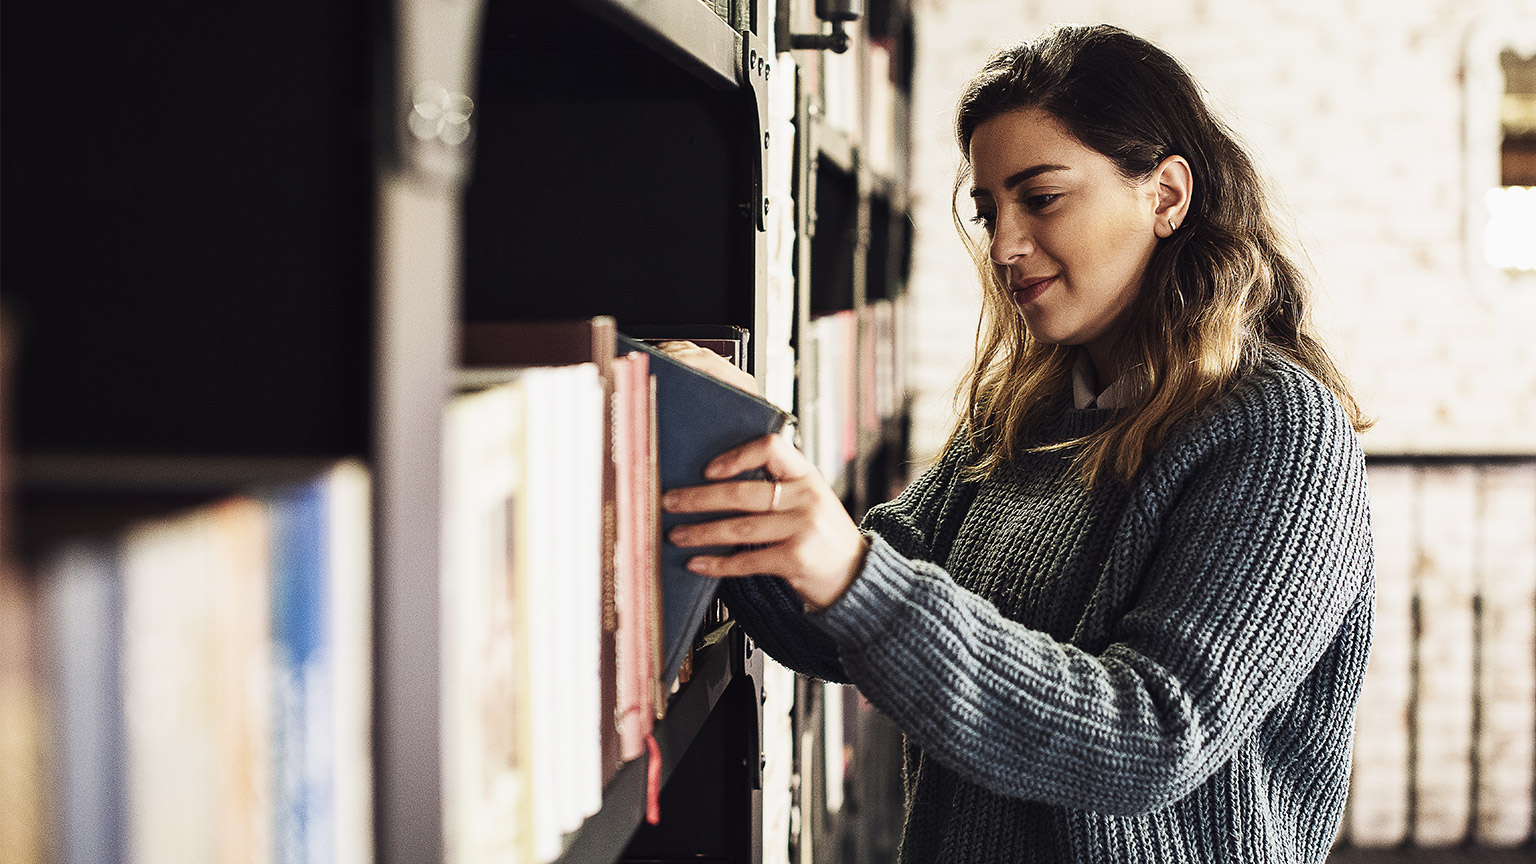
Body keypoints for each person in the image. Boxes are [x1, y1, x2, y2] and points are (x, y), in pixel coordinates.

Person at [660, 23, 1375, 863]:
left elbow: (1154, 736)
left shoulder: (1279, 430)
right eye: (989, 210)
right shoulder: (1020, 418)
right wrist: (730, 464)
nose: (1004, 247)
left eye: (1042, 199)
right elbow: (842, 628)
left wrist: (849, 573)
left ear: (1166, 196)